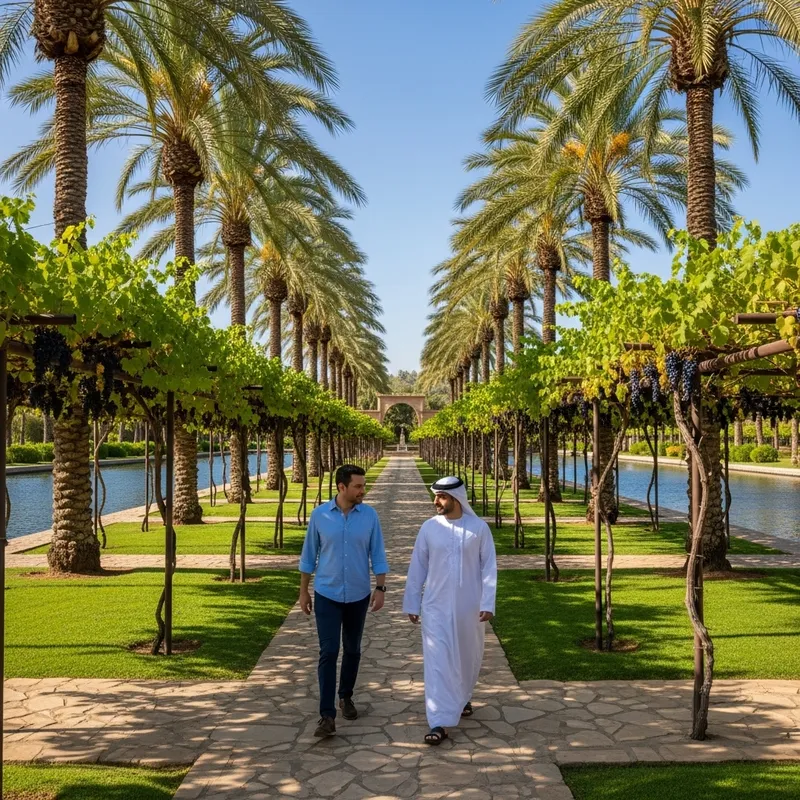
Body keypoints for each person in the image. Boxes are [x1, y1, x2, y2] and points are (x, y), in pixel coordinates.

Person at [403, 475, 497, 745]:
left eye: (442, 497)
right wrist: (412, 602)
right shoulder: (429, 528)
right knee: (438, 662)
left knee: (468, 657)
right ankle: (439, 721)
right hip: (435, 607)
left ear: (457, 498)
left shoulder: (478, 528)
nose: (436, 501)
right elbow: (417, 566)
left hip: (470, 607)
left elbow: (488, 567)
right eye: (436, 496)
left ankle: (463, 697)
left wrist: (487, 603)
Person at [299, 464, 389, 738]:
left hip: (359, 595)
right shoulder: (320, 515)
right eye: (358, 486)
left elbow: (378, 554)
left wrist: (380, 588)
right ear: (342, 487)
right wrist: (303, 591)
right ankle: (327, 715)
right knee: (328, 651)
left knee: (352, 649)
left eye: (363, 486)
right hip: (327, 594)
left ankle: (345, 696)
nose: (363, 491)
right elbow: (308, 556)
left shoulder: (370, 516)